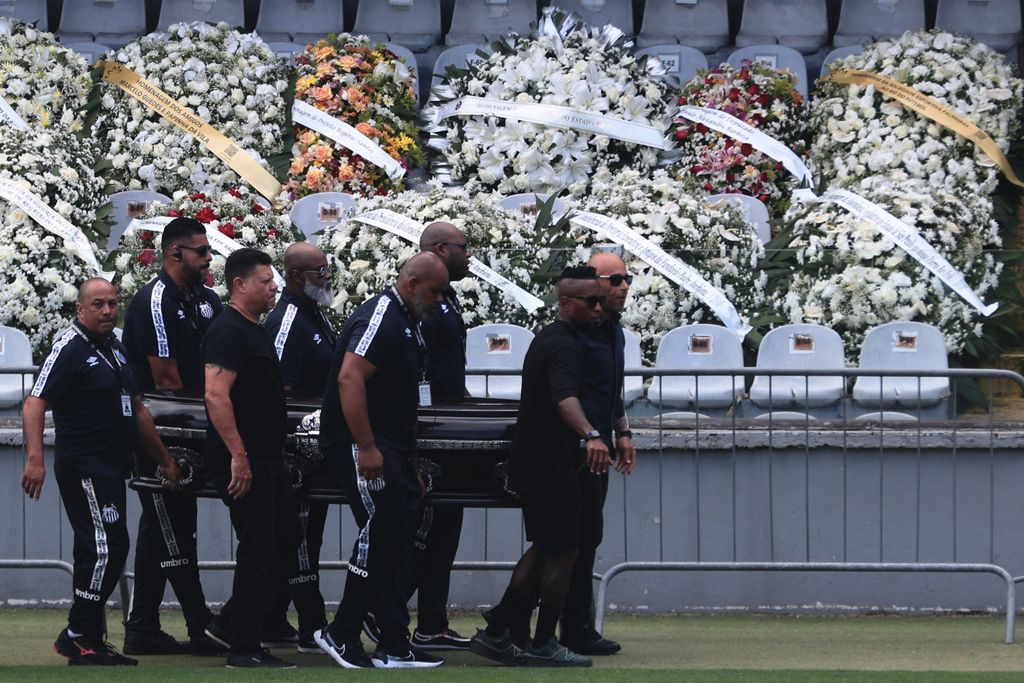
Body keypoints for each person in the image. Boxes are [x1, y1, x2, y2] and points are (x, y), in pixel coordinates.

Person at [22, 278, 181, 666]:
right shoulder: (68, 346)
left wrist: (164, 459)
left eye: (112, 303)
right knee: (110, 547)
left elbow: (138, 409)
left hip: (112, 465)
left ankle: (88, 640)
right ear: (81, 310)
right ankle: (78, 632)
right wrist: (35, 459)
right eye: (98, 305)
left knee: (92, 550)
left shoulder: (116, 347)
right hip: (85, 465)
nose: (108, 311)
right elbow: (34, 402)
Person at [314, 252, 449, 669]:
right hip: (362, 443)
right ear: (411, 283)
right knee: (384, 529)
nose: (440, 300)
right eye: (435, 291)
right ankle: (341, 631)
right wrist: (367, 446)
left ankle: (393, 642)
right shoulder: (383, 316)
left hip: (389, 445)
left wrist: (405, 457)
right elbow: (349, 377)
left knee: (398, 533)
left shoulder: (406, 320)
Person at [469, 266, 608, 668]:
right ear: (566, 303)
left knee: (548, 547)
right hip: (550, 465)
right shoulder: (564, 345)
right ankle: (543, 640)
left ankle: (499, 627)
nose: (599, 308)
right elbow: (564, 397)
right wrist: (591, 435)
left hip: (540, 461)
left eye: (601, 299)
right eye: (591, 301)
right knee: (563, 552)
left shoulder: (556, 338)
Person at [121, 216, 225, 656]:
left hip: (193, 427)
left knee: (162, 527)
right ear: (174, 254)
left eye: (208, 251)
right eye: (201, 252)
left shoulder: (205, 299)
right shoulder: (155, 301)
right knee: (171, 525)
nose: (208, 259)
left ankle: (142, 624)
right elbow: (166, 380)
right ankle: (200, 623)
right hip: (161, 431)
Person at [202, 248, 300, 670]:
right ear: (239, 284)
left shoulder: (254, 328)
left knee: (285, 541)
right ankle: (244, 646)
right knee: (259, 548)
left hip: (267, 457)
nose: (273, 286)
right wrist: (238, 456)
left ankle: (231, 623)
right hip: (246, 460)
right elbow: (215, 394)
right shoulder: (228, 331)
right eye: (265, 281)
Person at [560, 251, 637, 656]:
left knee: (588, 536)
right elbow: (566, 394)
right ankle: (556, 626)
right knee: (567, 540)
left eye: (627, 278)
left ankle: (575, 626)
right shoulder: (573, 335)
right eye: (615, 279)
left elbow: (612, 390)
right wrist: (592, 434)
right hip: (573, 449)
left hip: (599, 447)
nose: (624, 286)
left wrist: (621, 431)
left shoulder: (615, 333)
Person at [262, 242, 338, 653]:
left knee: (308, 536)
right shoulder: (289, 320)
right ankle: (311, 623)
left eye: (327, 269)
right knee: (303, 537)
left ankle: (272, 617)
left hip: (315, 445)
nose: (327, 277)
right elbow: (278, 392)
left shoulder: (313, 315)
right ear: (295, 277)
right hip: (297, 451)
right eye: (319, 271)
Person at [404, 222, 471, 650]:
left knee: (446, 528)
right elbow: (417, 366)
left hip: (448, 422)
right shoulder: (423, 302)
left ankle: (432, 622)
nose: (470, 256)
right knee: (425, 529)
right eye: (464, 248)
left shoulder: (446, 298)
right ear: (442, 250)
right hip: (428, 430)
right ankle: (379, 608)